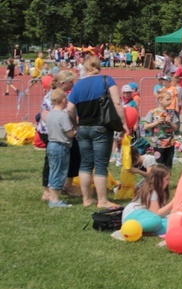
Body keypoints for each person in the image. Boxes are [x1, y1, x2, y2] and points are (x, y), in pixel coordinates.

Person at [66, 55, 128, 208]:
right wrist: (124, 123)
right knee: (100, 164)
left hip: (82, 128)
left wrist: (75, 124)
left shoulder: (78, 86)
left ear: (86, 69)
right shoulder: (107, 80)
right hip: (101, 127)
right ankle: (102, 200)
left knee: (85, 164)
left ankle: (86, 199)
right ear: (99, 67)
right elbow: (117, 103)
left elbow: (70, 109)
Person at [39, 70, 79, 202]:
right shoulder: (51, 96)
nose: (73, 84)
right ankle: (47, 191)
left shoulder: (65, 95)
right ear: (63, 83)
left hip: (64, 130)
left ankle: (66, 185)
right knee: (52, 160)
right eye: (70, 82)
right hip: (50, 132)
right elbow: (45, 117)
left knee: (74, 154)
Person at [45, 89, 77, 208]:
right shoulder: (63, 116)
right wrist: (75, 131)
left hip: (51, 144)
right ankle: (54, 200)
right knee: (59, 172)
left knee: (53, 170)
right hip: (61, 146)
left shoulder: (49, 114)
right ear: (63, 100)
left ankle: (52, 197)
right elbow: (69, 133)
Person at [122, 164, 172, 235]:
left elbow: (163, 212)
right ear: (158, 180)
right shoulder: (152, 191)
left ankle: (146, 232)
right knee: (156, 220)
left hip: (148, 217)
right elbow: (157, 213)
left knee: (171, 224)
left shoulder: (162, 192)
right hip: (133, 214)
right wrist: (173, 203)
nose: (168, 182)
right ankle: (129, 229)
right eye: (167, 179)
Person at [143, 91, 180, 167]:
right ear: (160, 100)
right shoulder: (152, 112)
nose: (170, 101)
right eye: (168, 99)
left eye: (170, 99)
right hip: (157, 144)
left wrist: (170, 123)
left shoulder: (171, 113)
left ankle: (167, 178)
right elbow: (145, 126)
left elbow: (175, 128)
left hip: (170, 144)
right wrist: (157, 122)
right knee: (158, 164)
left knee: (168, 165)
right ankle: (159, 178)